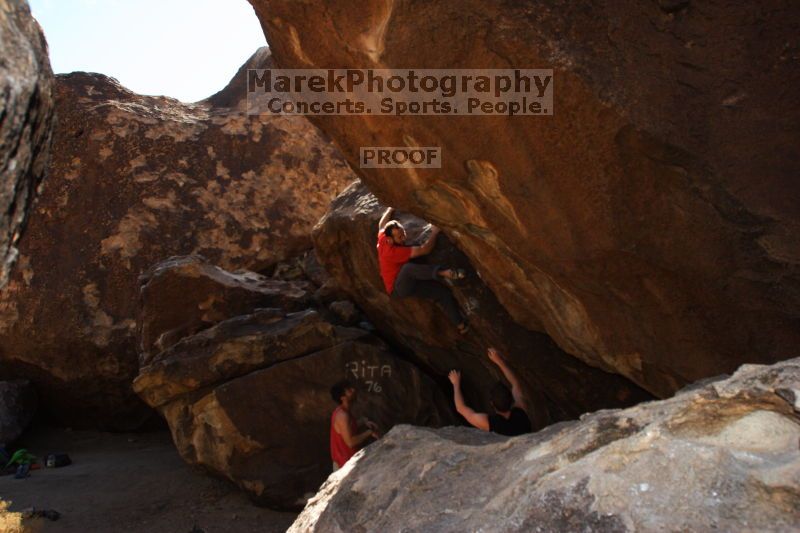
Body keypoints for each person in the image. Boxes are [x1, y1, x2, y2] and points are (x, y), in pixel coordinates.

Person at [377, 206, 469, 334]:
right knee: (408, 268)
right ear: (390, 240)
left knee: (442, 292)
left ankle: (461, 325)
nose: (403, 238)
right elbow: (425, 249)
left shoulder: (383, 236)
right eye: (399, 237)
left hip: (409, 280)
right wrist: (434, 232)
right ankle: (444, 272)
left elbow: (381, 224)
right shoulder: (393, 252)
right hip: (398, 287)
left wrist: (390, 209)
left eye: (403, 233)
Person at [448, 347, 532, 436]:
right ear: (512, 399)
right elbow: (515, 383)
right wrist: (499, 361)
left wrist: (455, 384)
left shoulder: (488, 423)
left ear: (491, 403)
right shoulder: (521, 409)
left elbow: (460, 408)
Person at [330, 380, 379, 471]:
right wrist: (369, 432)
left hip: (348, 463)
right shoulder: (342, 416)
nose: (353, 390)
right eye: (349, 390)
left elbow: (349, 426)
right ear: (343, 398)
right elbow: (351, 442)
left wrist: (364, 421)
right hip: (344, 467)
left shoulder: (344, 412)